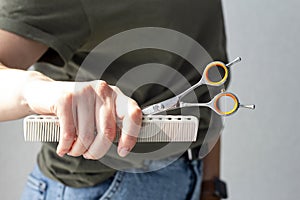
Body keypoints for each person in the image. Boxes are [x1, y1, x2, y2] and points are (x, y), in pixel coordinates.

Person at [0, 0, 228, 199]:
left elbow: (206, 83)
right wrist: (42, 91)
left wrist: (210, 187)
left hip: (189, 176)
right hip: (103, 186)